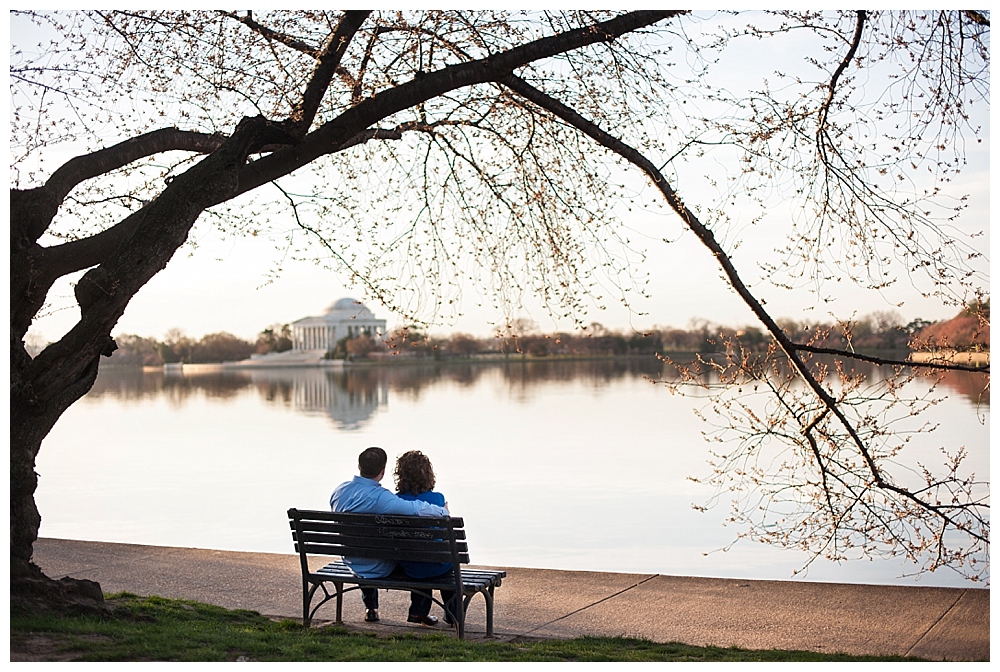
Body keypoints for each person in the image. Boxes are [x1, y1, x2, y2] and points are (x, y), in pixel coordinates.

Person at [330, 446, 448, 625]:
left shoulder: (339, 491)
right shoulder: (382, 499)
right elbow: (415, 509)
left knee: (367, 548)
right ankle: (419, 611)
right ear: (383, 470)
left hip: (352, 560)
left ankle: (371, 608)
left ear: (359, 466)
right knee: (417, 554)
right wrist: (442, 511)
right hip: (378, 567)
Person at [394, 450, 460, 627]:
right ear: (429, 475)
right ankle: (453, 613)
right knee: (444, 563)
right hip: (438, 564)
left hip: (410, 564)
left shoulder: (395, 501)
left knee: (419, 561)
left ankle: (418, 611)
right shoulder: (437, 499)